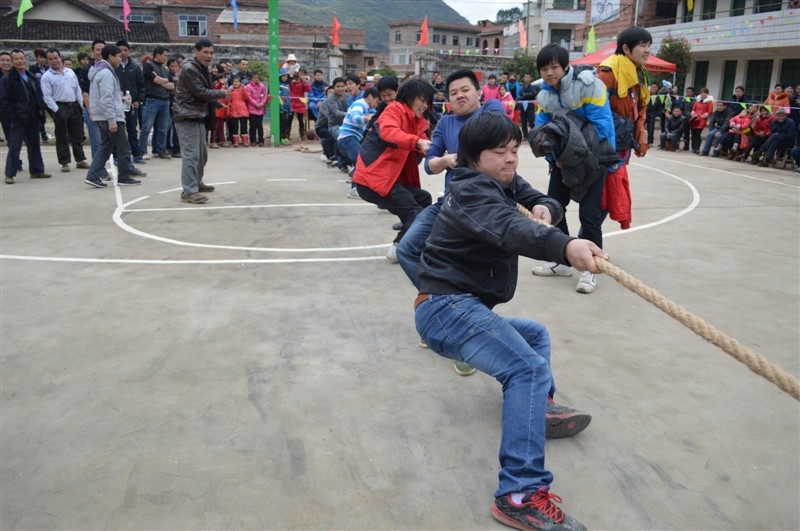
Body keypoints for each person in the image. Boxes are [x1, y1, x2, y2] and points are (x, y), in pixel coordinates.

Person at [415, 112, 601, 531]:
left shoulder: (503, 181)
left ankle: (540, 409)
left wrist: (543, 207)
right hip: (445, 309)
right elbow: (509, 230)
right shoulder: (470, 191)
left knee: (535, 337)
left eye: (514, 151)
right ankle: (518, 495)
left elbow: (542, 201)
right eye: (500, 153)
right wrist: (565, 246)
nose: (511, 160)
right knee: (528, 368)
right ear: (473, 158)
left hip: (461, 307)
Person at [530, 43, 616, 294]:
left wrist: (598, 160)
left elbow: (602, 126)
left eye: (554, 67)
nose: (549, 73)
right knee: (554, 209)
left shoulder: (589, 85)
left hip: (592, 160)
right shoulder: (544, 95)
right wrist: (553, 159)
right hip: (560, 162)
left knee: (589, 216)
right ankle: (562, 260)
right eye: (544, 68)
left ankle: (591, 269)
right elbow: (541, 132)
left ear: (566, 65)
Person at [352, 79, 434, 259]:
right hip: (373, 178)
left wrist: (442, 155)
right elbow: (388, 132)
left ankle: (402, 244)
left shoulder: (418, 121)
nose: (425, 105)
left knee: (424, 200)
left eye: (428, 102)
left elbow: (426, 146)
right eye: (422, 100)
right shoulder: (394, 109)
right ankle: (402, 249)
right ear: (410, 97)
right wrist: (417, 142)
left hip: (389, 179)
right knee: (414, 211)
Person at [172, 38, 229, 204]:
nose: (209, 56)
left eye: (211, 53)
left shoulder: (201, 68)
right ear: (196, 52)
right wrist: (221, 94)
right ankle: (189, 191)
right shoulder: (189, 69)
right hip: (186, 116)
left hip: (198, 115)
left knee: (201, 154)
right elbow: (200, 92)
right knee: (191, 155)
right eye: (205, 52)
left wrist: (217, 103)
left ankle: (196, 182)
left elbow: (202, 94)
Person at [84, 44, 141, 188]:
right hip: (110, 117)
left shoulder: (100, 71)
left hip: (102, 115)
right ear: (110, 56)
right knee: (123, 147)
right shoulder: (106, 73)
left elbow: (106, 96)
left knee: (105, 147)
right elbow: (106, 98)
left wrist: (119, 100)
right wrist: (112, 120)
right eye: (118, 56)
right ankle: (124, 176)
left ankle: (93, 175)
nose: (120, 60)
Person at [0, 49, 52, 184]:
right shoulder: (8, 79)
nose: (19, 61)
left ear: (25, 60)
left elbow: (38, 96)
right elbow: (4, 101)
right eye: (16, 59)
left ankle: (36, 170)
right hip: (18, 118)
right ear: (12, 62)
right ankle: (10, 173)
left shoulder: (31, 76)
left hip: (33, 116)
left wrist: (41, 111)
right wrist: (12, 115)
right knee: (15, 145)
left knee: (34, 144)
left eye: (21, 58)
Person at [39, 48, 89, 173]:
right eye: (50, 59)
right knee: (61, 135)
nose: (54, 61)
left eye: (56, 58)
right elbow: (47, 97)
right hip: (60, 106)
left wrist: (80, 105)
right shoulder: (47, 77)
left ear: (60, 57)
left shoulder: (70, 72)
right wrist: (57, 110)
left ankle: (80, 159)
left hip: (74, 105)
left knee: (77, 134)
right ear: (47, 61)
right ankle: (64, 162)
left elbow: (77, 88)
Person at [339, 87, 379, 197]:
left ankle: (355, 173)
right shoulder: (360, 104)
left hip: (351, 138)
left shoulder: (368, 108)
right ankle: (354, 188)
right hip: (347, 138)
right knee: (361, 160)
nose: (376, 104)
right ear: (370, 97)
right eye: (377, 101)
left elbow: (375, 115)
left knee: (364, 159)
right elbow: (354, 117)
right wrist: (366, 119)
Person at [137, 46, 174, 160]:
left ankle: (160, 150)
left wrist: (161, 81)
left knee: (163, 128)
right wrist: (164, 81)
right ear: (157, 55)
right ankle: (142, 151)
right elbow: (154, 79)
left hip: (165, 100)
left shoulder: (165, 69)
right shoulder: (148, 66)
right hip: (152, 99)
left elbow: (172, 85)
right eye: (164, 55)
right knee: (146, 127)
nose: (166, 58)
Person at [115, 40, 146, 162]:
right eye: (120, 50)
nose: (122, 53)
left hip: (132, 104)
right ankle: (118, 156)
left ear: (129, 52)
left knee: (132, 130)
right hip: (117, 105)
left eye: (125, 50)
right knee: (118, 131)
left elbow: (142, 86)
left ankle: (136, 154)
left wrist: (139, 100)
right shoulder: (113, 68)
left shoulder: (135, 67)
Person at [688, 87, 713, 154]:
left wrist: (705, 115)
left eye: (704, 93)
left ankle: (697, 148)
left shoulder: (709, 102)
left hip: (702, 119)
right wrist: (693, 113)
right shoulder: (697, 100)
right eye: (702, 93)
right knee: (693, 133)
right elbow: (694, 108)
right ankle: (693, 147)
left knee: (698, 134)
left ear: (707, 94)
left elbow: (710, 111)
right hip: (695, 118)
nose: (703, 94)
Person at [288, 69, 311, 141]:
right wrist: (292, 80)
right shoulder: (292, 80)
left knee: (300, 120)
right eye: (300, 74)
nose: (301, 75)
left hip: (300, 103)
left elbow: (308, 89)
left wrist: (304, 81)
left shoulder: (304, 82)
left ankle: (302, 135)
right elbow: (289, 84)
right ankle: (287, 134)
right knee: (289, 119)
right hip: (291, 102)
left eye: (303, 74)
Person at [245, 72, 267, 146]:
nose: (256, 79)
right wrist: (256, 104)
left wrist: (262, 103)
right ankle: (253, 140)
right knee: (252, 126)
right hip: (252, 110)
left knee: (260, 126)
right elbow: (249, 98)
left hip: (260, 110)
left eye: (257, 78)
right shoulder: (248, 87)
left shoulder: (262, 86)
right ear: (251, 78)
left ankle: (261, 140)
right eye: (254, 78)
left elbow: (265, 95)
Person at [227, 76, 250, 146]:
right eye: (234, 82)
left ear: (240, 83)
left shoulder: (243, 89)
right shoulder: (230, 90)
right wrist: (228, 110)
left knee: (244, 127)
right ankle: (236, 141)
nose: (236, 83)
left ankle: (245, 141)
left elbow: (246, 97)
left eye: (237, 82)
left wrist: (243, 88)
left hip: (242, 110)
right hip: (233, 110)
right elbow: (228, 101)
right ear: (232, 83)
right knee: (235, 127)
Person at [518, 73, 539, 139]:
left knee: (531, 122)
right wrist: (525, 95)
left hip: (530, 106)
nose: (526, 78)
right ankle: (525, 135)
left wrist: (524, 95)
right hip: (522, 107)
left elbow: (533, 94)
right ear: (524, 78)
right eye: (525, 77)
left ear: (530, 79)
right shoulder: (521, 87)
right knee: (523, 122)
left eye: (528, 77)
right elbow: (519, 96)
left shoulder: (533, 87)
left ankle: (533, 135)